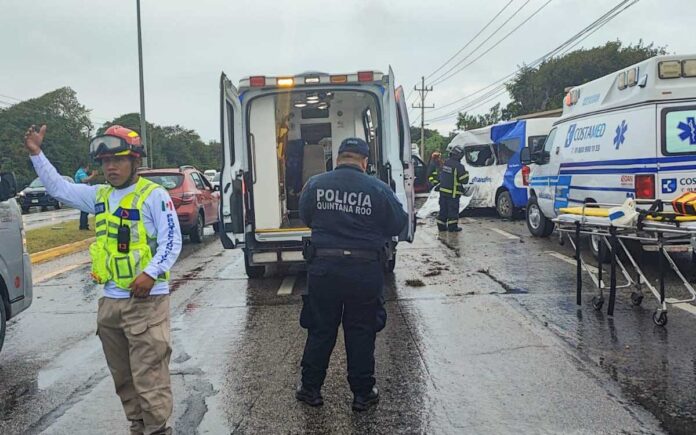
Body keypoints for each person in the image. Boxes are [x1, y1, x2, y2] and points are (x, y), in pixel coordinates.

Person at [23, 124, 182, 435]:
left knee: (149, 376)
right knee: (123, 377)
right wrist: (37, 154)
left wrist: (150, 274)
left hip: (146, 302)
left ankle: (158, 429)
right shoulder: (100, 196)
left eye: (119, 160)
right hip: (111, 303)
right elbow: (58, 189)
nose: (111, 167)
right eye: (106, 162)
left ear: (136, 161)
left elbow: (171, 241)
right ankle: (139, 426)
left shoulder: (154, 196)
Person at [296, 137, 408, 412]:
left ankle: (311, 389)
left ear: (337, 158)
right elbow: (398, 223)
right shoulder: (378, 189)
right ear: (365, 161)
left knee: (321, 328)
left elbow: (305, 216)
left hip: (324, 269)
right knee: (361, 331)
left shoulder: (316, 184)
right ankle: (362, 394)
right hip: (363, 270)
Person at [437, 145, 469, 232]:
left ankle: (441, 226)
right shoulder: (459, 166)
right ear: (460, 155)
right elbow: (464, 180)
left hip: (443, 192)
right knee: (452, 211)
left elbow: (440, 175)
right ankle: (452, 227)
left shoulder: (445, 163)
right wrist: (466, 173)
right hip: (453, 193)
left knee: (443, 210)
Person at [74, 161, 98, 230]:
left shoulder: (82, 172)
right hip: (82, 193)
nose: (88, 169)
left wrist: (93, 176)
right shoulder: (81, 172)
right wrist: (93, 175)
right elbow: (84, 180)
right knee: (84, 210)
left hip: (84, 193)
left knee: (85, 210)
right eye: (88, 167)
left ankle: (84, 225)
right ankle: (83, 226)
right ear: (86, 167)